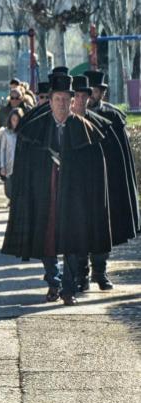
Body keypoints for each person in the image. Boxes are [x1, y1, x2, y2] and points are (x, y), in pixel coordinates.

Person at [1, 74, 111, 305]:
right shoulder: (36, 128)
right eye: (57, 98)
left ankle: (68, 289)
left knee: (73, 239)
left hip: (74, 197)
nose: (62, 103)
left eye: (66, 99)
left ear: (73, 102)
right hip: (44, 193)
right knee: (46, 237)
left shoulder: (87, 129)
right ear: (50, 101)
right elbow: (26, 165)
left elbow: (94, 172)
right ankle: (54, 281)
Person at [73, 74, 138, 290]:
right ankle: (81, 275)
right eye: (83, 94)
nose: (88, 98)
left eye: (92, 92)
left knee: (102, 231)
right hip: (79, 185)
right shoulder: (71, 118)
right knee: (79, 230)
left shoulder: (112, 117)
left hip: (104, 185)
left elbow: (119, 157)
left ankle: (99, 272)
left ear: (101, 93)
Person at [0, 108, 23, 203]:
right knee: (9, 190)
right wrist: (2, 166)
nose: (15, 122)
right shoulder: (6, 133)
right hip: (9, 165)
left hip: (20, 165)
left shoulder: (23, 133)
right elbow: (2, 150)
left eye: (17, 120)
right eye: (13, 120)